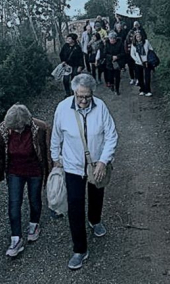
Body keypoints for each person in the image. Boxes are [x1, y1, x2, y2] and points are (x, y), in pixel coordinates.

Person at [50, 74, 118, 270]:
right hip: (72, 167)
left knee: (97, 195)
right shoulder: (62, 108)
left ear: (92, 94)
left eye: (87, 97)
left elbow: (111, 135)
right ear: (74, 93)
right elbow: (56, 135)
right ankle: (80, 249)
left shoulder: (101, 107)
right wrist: (56, 159)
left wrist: (103, 162)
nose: (83, 101)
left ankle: (95, 220)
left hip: (97, 164)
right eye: (79, 96)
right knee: (75, 206)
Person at [0, 104, 52, 258]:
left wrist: (51, 170)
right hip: (14, 171)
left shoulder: (39, 128)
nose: (17, 131)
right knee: (14, 203)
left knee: (34, 199)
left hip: (35, 170)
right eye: (15, 128)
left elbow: (47, 151)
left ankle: (34, 224)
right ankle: (16, 239)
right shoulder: (3, 129)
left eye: (20, 128)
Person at [59, 33, 84, 97]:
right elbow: (61, 54)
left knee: (74, 79)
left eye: (69, 38)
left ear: (73, 40)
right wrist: (63, 61)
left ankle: (74, 92)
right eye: (67, 38)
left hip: (75, 65)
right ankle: (67, 93)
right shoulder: (65, 46)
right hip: (67, 65)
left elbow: (80, 57)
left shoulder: (77, 47)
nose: (67, 39)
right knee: (65, 80)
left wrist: (80, 66)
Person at [130, 31, 154, 96]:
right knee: (140, 77)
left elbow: (151, 49)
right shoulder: (134, 45)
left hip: (146, 61)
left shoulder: (146, 42)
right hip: (138, 62)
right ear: (135, 38)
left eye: (139, 36)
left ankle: (148, 90)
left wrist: (149, 58)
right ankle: (142, 89)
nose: (139, 38)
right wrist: (137, 60)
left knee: (147, 76)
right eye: (137, 37)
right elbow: (132, 54)